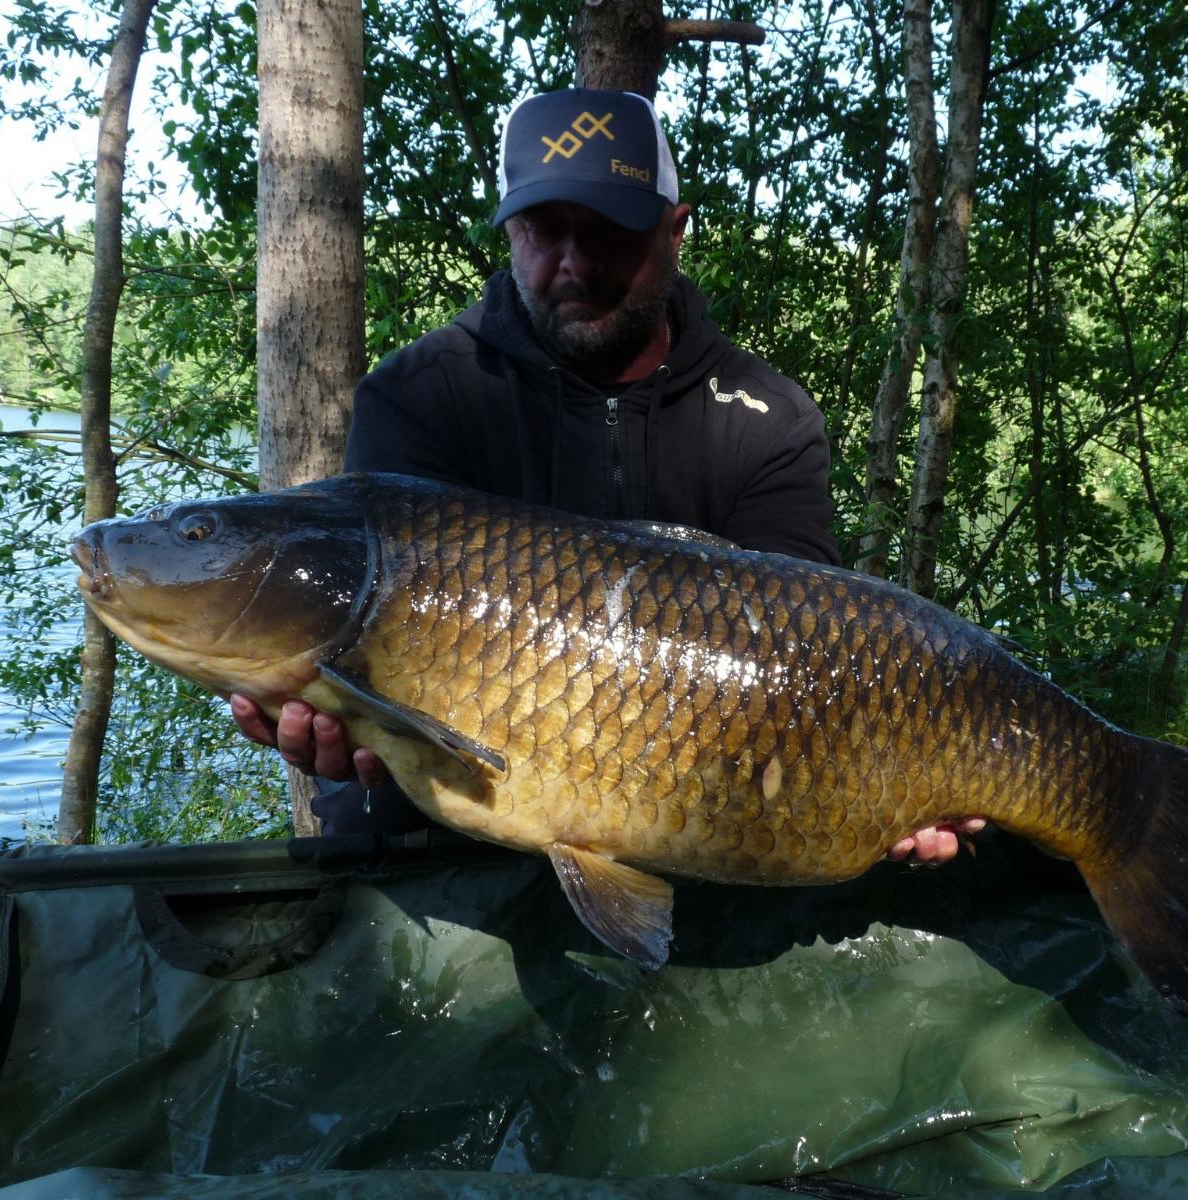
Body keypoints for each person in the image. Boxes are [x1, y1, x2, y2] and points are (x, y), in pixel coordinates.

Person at [231, 87, 981, 864]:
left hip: (695, 829)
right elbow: (372, 687)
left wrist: (885, 782)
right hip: (440, 848)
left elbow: (800, 659)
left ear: (674, 231)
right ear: (510, 230)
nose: (574, 264)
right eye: (544, 230)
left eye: (608, 231)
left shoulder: (766, 417)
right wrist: (339, 729)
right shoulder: (422, 394)